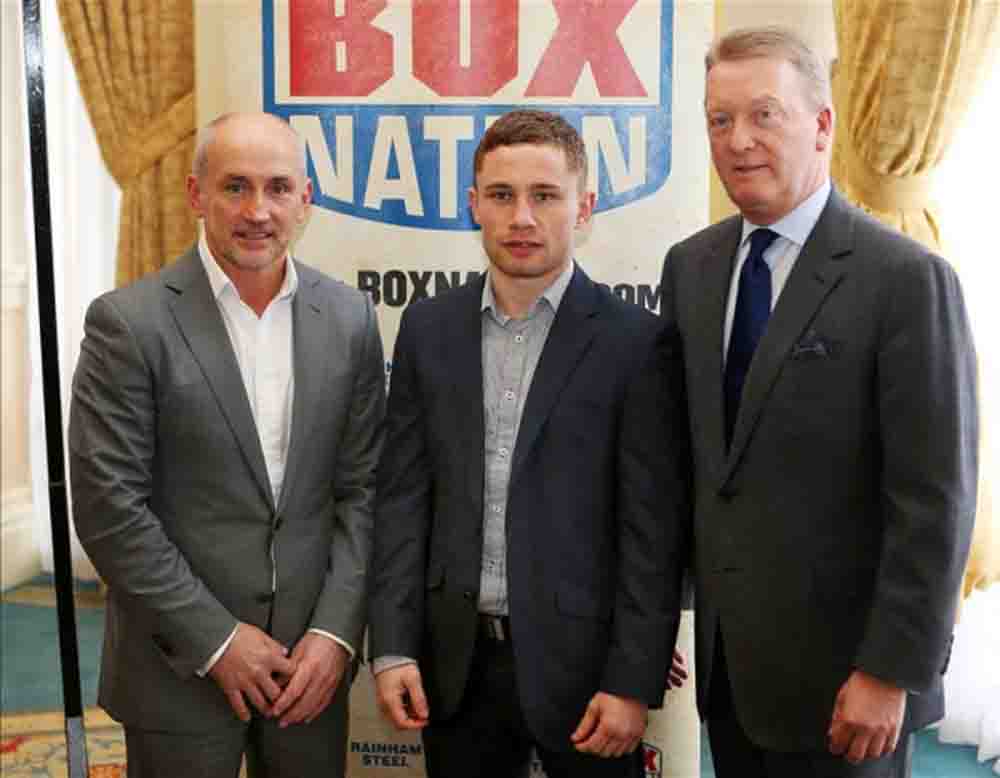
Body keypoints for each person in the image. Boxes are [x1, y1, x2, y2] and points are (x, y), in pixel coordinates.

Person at [659, 26, 979, 778]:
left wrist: (890, 671)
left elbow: (935, 500)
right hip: (730, 680)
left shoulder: (906, 279)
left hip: (851, 691)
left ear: (823, 125)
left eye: (764, 114)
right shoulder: (691, 269)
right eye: (719, 119)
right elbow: (687, 468)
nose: (738, 140)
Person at [368, 109, 690, 778]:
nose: (521, 217)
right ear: (474, 205)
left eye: (545, 195)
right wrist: (393, 648)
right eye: (501, 195)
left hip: (589, 676)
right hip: (455, 670)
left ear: (584, 208)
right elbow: (402, 502)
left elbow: (651, 534)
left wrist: (633, 680)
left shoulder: (636, 342)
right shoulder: (427, 330)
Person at [68, 112, 385, 777]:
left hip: (308, 675)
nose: (257, 210)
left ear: (306, 199)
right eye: (235, 186)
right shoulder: (128, 324)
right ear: (196, 195)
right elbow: (109, 509)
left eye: (278, 188)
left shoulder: (350, 318)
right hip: (177, 671)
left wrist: (334, 634)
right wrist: (217, 640)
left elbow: (363, 490)